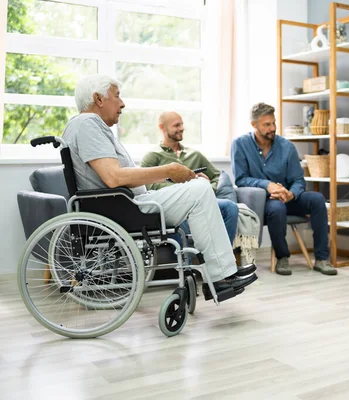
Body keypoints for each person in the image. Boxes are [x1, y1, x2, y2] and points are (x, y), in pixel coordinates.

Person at [61, 74, 257, 299]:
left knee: (198, 188)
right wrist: (168, 170)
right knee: (201, 190)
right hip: (124, 208)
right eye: (117, 96)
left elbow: (117, 177)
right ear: (98, 98)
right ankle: (220, 276)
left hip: (125, 203)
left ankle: (221, 274)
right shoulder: (88, 125)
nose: (122, 103)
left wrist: (169, 177)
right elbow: (113, 178)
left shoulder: (90, 126)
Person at [231, 102, 337, 276]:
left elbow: (297, 179)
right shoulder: (240, 145)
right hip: (262, 202)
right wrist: (268, 185)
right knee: (277, 208)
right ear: (254, 125)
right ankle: (282, 257)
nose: (272, 128)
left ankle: (322, 258)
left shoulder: (286, 146)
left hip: (288, 198)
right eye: (267, 124)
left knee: (317, 199)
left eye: (274, 123)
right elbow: (241, 179)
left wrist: (291, 193)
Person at [141, 111, 238, 244]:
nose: (181, 128)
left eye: (182, 124)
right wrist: (188, 186)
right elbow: (147, 185)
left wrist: (208, 189)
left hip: (200, 202)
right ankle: (188, 263)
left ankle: (224, 260)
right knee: (183, 215)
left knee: (230, 207)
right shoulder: (153, 156)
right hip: (174, 205)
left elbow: (217, 175)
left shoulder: (195, 155)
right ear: (162, 127)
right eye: (176, 125)